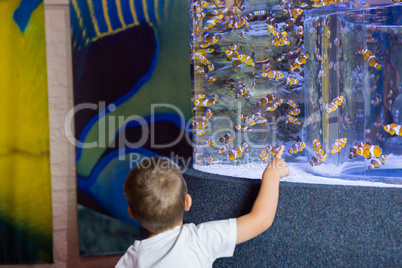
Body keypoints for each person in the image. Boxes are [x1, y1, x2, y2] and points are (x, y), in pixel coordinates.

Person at [116, 145, 289, 267]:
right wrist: (272, 175)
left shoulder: (131, 258)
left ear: (132, 213)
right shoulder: (198, 240)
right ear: (187, 202)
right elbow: (261, 219)